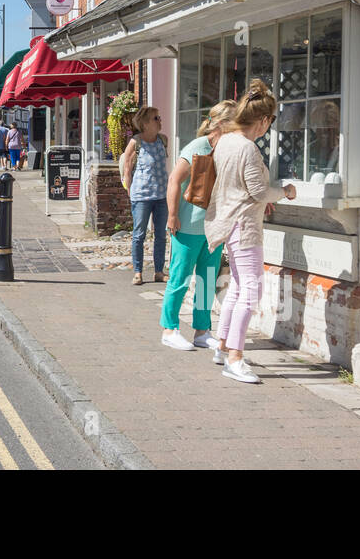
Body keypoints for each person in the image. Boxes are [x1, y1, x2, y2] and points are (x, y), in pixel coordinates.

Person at [205, 79, 296, 383]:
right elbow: (258, 191)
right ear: (262, 120)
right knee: (251, 291)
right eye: (269, 121)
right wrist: (285, 191)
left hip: (229, 221)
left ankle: (221, 346)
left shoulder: (226, 141)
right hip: (245, 226)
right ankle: (236, 358)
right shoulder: (247, 148)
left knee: (237, 288)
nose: (268, 127)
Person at [161, 100, 235, 351]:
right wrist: (172, 216)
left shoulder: (226, 150)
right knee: (180, 278)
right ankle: (169, 329)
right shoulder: (198, 146)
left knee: (206, 280)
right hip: (188, 226)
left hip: (212, 228)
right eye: (235, 124)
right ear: (223, 124)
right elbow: (174, 180)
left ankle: (202, 331)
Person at [120, 105, 168, 286]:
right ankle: (138, 272)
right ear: (145, 123)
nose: (160, 120)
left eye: (159, 117)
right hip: (141, 195)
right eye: (156, 118)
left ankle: (158, 271)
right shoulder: (136, 142)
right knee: (139, 234)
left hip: (161, 194)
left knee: (161, 235)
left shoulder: (163, 140)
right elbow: (127, 168)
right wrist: (130, 191)